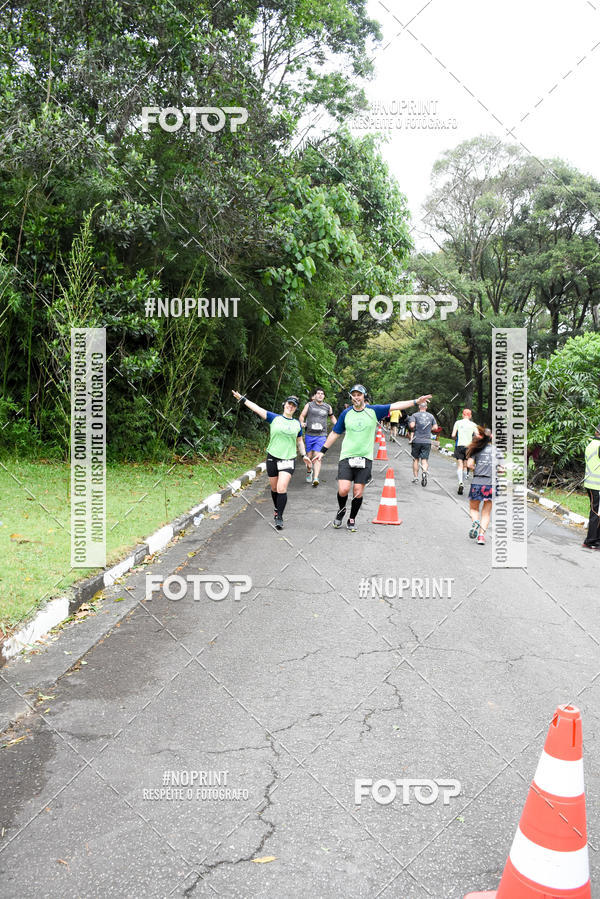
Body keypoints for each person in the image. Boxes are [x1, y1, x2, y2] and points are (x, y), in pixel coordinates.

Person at [313, 385, 432, 531]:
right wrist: (322, 451)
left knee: (358, 491)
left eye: (359, 394)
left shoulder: (374, 411)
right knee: (343, 489)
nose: (356, 397)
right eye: (354, 395)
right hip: (347, 456)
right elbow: (335, 433)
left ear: (364, 396)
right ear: (351, 397)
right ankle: (341, 510)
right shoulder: (346, 413)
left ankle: (352, 518)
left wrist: (416, 401)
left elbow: (395, 405)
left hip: (365, 457)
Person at [232, 390, 310, 530]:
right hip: (272, 457)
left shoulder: (297, 424)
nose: (290, 407)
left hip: (288, 459)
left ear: (296, 409)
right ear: (284, 404)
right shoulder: (274, 418)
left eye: (293, 405)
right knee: (274, 488)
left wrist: (304, 455)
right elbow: (257, 408)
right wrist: (242, 399)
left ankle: (279, 516)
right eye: (289, 404)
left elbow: (299, 441)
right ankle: (276, 508)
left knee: (281, 488)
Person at [465, 426, 503, 545]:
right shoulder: (497, 451)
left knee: (473, 508)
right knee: (486, 513)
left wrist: (476, 468)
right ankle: (481, 536)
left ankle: (475, 522)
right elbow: (502, 470)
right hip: (492, 484)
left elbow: (469, 465)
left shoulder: (476, 449)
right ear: (491, 437)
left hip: (477, 482)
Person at [299, 388, 337, 487]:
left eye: (322, 393)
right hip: (309, 435)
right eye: (318, 393)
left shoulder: (327, 407)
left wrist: (338, 425)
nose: (320, 395)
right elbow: (302, 415)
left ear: (324, 396)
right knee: (309, 456)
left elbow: (332, 417)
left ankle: (316, 478)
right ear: (315, 395)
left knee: (317, 456)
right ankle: (309, 471)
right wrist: (301, 422)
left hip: (321, 435)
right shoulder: (309, 405)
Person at [407, 400, 438, 487]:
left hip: (416, 440)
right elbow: (435, 427)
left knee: (415, 459)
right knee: (424, 460)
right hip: (427, 441)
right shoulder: (431, 416)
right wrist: (429, 429)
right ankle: (424, 472)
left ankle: (416, 477)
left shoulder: (414, 415)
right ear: (426, 407)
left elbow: (412, 425)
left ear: (419, 407)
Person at [451, 409, 478, 495]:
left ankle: (460, 482)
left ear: (462, 415)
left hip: (459, 445)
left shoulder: (458, 423)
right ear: (470, 416)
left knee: (460, 464)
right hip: (469, 447)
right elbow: (478, 436)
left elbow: (453, 435)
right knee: (466, 465)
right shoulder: (473, 424)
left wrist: (455, 439)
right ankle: (463, 481)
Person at [583, 424, 600, 550]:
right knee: (596, 513)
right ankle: (591, 541)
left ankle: (596, 539)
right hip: (596, 485)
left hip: (590, 483)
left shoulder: (591, 444)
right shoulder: (598, 446)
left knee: (597, 512)